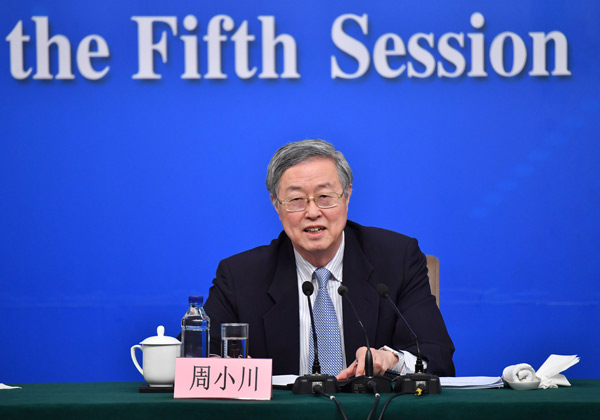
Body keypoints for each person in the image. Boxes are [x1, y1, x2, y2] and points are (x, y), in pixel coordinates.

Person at [203, 139, 455, 379]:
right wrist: (223, 368)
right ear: (276, 204)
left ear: (347, 195)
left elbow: (437, 356)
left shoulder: (397, 259)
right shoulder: (239, 276)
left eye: (325, 197)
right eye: (296, 200)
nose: (312, 212)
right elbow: (200, 361)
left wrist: (391, 360)